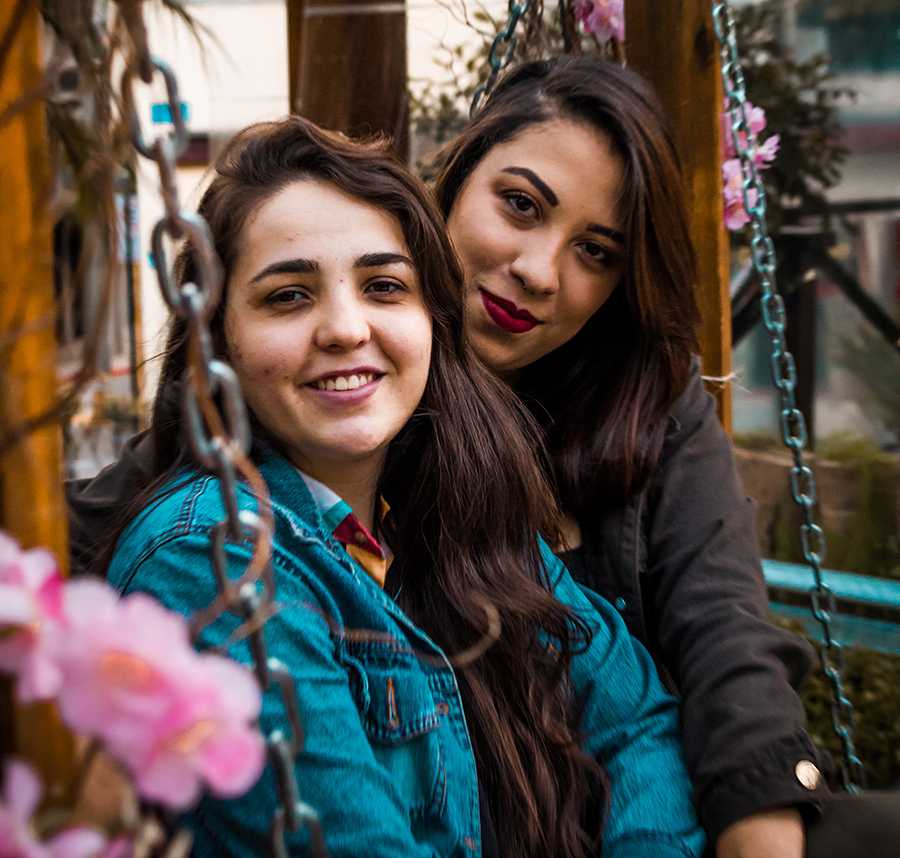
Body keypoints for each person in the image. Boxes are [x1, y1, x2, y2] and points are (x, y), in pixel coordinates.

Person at [100, 116, 705, 857]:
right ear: (217, 341)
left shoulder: (452, 515)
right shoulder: (212, 558)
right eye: (288, 296)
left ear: (433, 322)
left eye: (384, 287)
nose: (346, 329)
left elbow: (636, 720)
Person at [433, 55, 900, 858]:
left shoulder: (648, 401)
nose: (539, 272)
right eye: (520, 205)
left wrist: (760, 826)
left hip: (652, 817)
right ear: (453, 181)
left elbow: (723, 630)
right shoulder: (356, 394)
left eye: (595, 252)